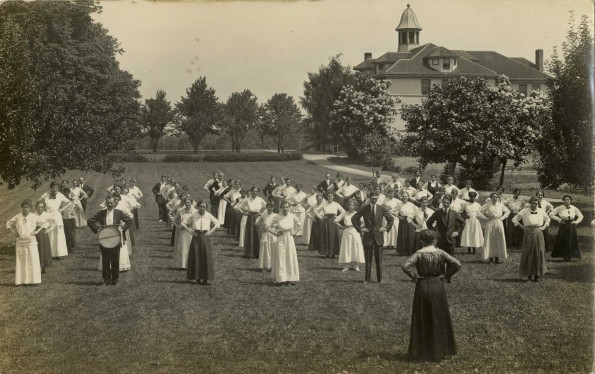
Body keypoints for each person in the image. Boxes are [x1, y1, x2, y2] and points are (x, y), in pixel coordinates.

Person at [402, 229, 461, 362]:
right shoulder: (440, 252)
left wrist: (415, 277)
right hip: (438, 285)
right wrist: (445, 275)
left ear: (422, 240)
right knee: (439, 317)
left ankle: (420, 351)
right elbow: (457, 264)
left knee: (421, 317)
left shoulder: (418, 253)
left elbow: (405, 266)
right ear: (435, 240)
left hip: (422, 285)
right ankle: (441, 350)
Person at [88, 196, 133, 286]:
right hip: (104, 239)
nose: (109, 205)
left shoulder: (119, 213)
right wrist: (97, 230)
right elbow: (90, 221)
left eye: (111, 203)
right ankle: (106, 280)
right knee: (105, 261)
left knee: (115, 260)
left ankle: (115, 280)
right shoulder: (101, 213)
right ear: (106, 203)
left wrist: (122, 228)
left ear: (114, 203)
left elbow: (129, 220)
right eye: (108, 203)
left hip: (116, 239)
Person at [351, 191, 394, 283]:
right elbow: (354, 218)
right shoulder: (364, 208)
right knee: (368, 259)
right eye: (372, 198)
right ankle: (367, 279)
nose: (374, 200)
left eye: (376, 198)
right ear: (369, 198)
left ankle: (380, 279)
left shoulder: (381, 208)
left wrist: (385, 228)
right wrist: (360, 229)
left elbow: (391, 219)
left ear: (378, 198)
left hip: (379, 237)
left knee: (379, 260)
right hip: (368, 237)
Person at [6, 200, 45, 285]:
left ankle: (34, 281)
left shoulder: (34, 216)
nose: (26, 209)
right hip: (21, 242)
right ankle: (22, 281)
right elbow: (8, 224)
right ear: (22, 207)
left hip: (31, 242)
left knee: (32, 261)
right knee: (22, 261)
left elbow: (45, 223)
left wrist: (37, 231)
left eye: (28, 207)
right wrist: (14, 232)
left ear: (30, 208)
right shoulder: (17, 217)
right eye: (24, 207)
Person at [512, 197, 550, 282]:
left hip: (538, 233)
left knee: (538, 252)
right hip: (528, 233)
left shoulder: (541, 211)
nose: (534, 205)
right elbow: (514, 219)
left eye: (536, 204)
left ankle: (537, 275)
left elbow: (548, 219)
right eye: (532, 203)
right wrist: (523, 227)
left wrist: (543, 227)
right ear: (530, 203)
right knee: (529, 252)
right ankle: (529, 275)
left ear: (538, 204)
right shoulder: (525, 211)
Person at [182, 200, 219, 285]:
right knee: (196, 256)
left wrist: (210, 232)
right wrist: (191, 231)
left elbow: (217, 223)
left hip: (205, 237)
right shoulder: (194, 215)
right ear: (198, 207)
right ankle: (197, 278)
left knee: (205, 256)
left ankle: (205, 279)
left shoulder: (208, 215)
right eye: (200, 207)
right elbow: (183, 223)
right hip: (196, 237)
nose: (202, 208)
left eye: (204, 207)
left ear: (206, 208)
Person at [267, 201, 302, 286]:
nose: (285, 209)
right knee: (281, 258)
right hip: (281, 238)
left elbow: (300, 224)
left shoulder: (292, 216)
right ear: (281, 208)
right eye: (283, 207)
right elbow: (268, 226)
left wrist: (294, 233)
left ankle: (290, 279)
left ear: (289, 208)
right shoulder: (277, 217)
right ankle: (281, 279)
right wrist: (275, 233)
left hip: (290, 239)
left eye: (287, 207)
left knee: (289, 257)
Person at [39, 181, 71, 258]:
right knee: (49, 233)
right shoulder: (45, 195)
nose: (55, 189)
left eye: (57, 188)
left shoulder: (60, 195)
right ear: (51, 188)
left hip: (57, 216)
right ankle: (49, 253)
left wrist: (62, 209)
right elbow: (39, 202)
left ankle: (58, 253)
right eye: (54, 187)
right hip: (48, 215)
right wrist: (43, 210)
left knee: (58, 234)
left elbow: (69, 202)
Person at [550, 195, 583, 261]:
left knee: (571, 240)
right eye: (565, 200)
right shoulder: (560, 208)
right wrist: (559, 220)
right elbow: (551, 214)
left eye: (568, 200)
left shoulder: (574, 208)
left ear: (570, 200)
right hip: (563, 225)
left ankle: (571, 255)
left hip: (571, 225)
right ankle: (564, 256)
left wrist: (576, 222)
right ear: (563, 201)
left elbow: (581, 216)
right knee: (563, 240)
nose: (567, 201)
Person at [334, 200, 365, 272]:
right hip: (347, 231)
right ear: (347, 206)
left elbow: (364, 221)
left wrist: (359, 227)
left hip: (355, 231)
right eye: (349, 205)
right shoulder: (344, 213)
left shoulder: (357, 213)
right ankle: (346, 266)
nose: (350, 207)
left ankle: (356, 265)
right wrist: (341, 227)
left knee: (356, 247)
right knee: (346, 247)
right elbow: (335, 220)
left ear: (354, 206)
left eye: (352, 205)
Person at [480, 192, 510, 263]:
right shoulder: (487, 205)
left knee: (498, 239)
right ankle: (490, 257)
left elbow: (508, 211)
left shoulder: (500, 205)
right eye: (493, 197)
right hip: (490, 222)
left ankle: (497, 257)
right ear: (491, 198)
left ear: (498, 198)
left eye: (496, 197)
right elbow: (478, 212)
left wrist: (502, 218)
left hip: (498, 222)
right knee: (490, 239)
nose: (495, 198)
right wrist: (485, 218)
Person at [238, 187, 267, 258]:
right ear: (251, 191)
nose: (255, 192)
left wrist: (262, 213)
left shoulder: (260, 199)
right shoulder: (247, 200)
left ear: (258, 192)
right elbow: (239, 207)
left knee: (258, 233)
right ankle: (249, 253)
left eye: (256, 191)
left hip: (258, 217)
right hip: (250, 217)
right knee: (250, 234)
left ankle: (258, 253)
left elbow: (267, 206)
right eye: (254, 191)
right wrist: (244, 212)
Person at [315, 192, 345, 258]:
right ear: (327, 197)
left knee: (333, 236)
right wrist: (321, 217)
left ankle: (333, 253)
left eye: (331, 196)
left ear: (333, 196)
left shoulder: (336, 204)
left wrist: (337, 218)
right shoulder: (324, 204)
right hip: (326, 222)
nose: (330, 197)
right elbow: (315, 211)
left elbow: (343, 212)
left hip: (334, 222)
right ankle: (327, 253)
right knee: (326, 236)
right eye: (329, 196)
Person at [173, 196, 197, 269]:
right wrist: (178, 226)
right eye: (186, 202)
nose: (187, 204)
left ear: (191, 203)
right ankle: (183, 265)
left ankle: (192, 265)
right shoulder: (180, 211)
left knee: (191, 247)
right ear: (184, 203)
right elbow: (174, 220)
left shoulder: (195, 211)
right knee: (183, 248)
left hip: (191, 231)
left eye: (189, 202)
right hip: (183, 232)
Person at [255, 202, 277, 271]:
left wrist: (274, 226)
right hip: (265, 233)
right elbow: (256, 222)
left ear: (273, 208)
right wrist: (262, 227)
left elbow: (278, 224)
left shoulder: (276, 215)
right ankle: (262, 266)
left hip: (273, 234)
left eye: (271, 207)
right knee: (264, 248)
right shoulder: (264, 215)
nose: (270, 208)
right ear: (267, 207)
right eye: (269, 207)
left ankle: (271, 266)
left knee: (272, 249)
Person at [33, 201, 53, 274]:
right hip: (34, 233)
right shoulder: (33, 214)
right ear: (36, 207)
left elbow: (55, 222)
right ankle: (35, 267)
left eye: (41, 207)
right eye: (38, 206)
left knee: (43, 249)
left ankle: (43, 267)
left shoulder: (47, 215)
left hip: (42, 234)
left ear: (44, 208)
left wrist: (49, 229)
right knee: (35, 249)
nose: (40, 208)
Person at [396, 191, 418, 255]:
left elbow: (417, 210)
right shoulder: (399, 204)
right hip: (403, 221)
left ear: (408, 197)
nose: (404, 197)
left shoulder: (411, 204)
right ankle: (402, 251)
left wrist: (413, 216)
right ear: (401, 197)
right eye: (403, 196)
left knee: (410, 235)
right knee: (403, 235)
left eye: (406, 196)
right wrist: (398, 216)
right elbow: (392, 211)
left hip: (410, 220)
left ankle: (410, 251)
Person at [61, 186, 78, 253]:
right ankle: (68, 247)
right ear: (63, 193)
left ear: (69, 192)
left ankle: (72, 246)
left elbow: (76, 207)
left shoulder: (72, 199)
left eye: (68, 192)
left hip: (72, 218)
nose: (66, 194)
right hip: (65, 218)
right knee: (66, 233)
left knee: (72, 233)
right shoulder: (62, 200)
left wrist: (75, 210)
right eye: (65, 192)